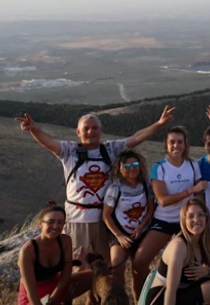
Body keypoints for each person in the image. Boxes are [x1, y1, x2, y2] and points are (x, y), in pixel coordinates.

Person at [16, 106, 175, 266]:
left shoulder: (110, 149)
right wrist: (34, 130)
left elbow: (136, 137)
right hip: (78, 219)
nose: (91, 131)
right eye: (86, 128)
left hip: (103, 220)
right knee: (79, 266)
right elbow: (49, 142)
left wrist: (159, 124)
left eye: (95, 128)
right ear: (78, 132)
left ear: (101, 130)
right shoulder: (70, 151)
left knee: (103, 268)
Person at [133, 126, 207, 297]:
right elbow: (163, 200)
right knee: (139, 262)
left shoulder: (193, 165)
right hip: (164, 220)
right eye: (172, 142)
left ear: (185, 144)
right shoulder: (159, 167)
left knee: (192, 266)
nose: (176, 146)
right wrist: (190, 191)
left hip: (188, 223)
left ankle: (186, 296)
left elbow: (200, 196)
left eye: (180, 142)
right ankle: (143, 298)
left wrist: (203, 216)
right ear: (166, 145)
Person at [147, 198, 210, 305]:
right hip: (163, 299)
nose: (196, 220)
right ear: (184, 220)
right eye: (191, 216)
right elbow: (170, 289)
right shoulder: (179, 246)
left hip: (183, 292)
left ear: (206, 218)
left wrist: (207, 271)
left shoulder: (201, 241)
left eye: (200, 215)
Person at [102, 150, 155, 300]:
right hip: (119, 232)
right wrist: (119, 236)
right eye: (127, 165)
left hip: (141, 232)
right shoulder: (115, 188)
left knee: (139, 271)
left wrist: (141, 226)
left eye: (135, 164)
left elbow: (150, 209)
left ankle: (141, 301)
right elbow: (106, 215)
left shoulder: (146, 185)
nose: (132, 168)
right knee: (117, 269)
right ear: (120, 168)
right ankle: (120, 301)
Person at [18, 202, 93, 305]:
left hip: (57, 287)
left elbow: (66, 274)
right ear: (40, 224)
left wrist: (54, 297)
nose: (55, 226)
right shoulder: (28, 251)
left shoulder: (65, 241)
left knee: (95, 276)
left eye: (60, 222)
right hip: (34, 294)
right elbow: (30, 290)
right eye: (51, 222)